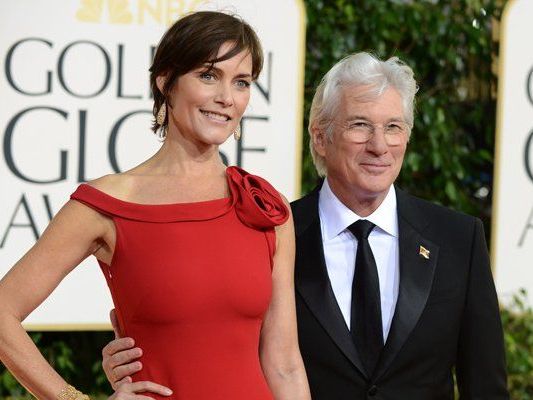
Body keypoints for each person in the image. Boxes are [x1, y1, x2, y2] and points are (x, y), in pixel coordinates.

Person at [102, 52, 510, 399]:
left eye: (393, 127)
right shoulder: (263, 232)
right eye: (360, 125)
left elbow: (486, 386)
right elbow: (211, 342)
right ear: (320, 137)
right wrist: (139, 359)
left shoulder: (458, 238)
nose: (380, 146)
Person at [0, 11, 311, 400]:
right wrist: (72, 398)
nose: (226, 98)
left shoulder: (266, 207)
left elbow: (284, 362)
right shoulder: (108, 204)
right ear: (166, 81)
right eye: (208, 75)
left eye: (242, 82)